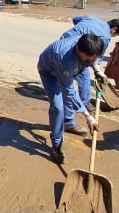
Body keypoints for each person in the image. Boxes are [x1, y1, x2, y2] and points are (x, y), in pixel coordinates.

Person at [38, 34, 102, 164]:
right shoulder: (64, 58)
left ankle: (68, 123)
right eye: (87, 58)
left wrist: (98, 71)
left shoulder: (89, 48)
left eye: (92, 59)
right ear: (78, 49)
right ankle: (56, 144)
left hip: (75, 66)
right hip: (49, 72)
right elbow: (69, 90)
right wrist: (87, 116)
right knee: (58, 106)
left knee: (83, 90)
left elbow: (91, 57)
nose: (89, 60)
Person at [61, 17, 119, 135]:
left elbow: (75, 19)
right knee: (79, 78)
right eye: (115, 35)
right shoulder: (105, 36)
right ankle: (75, 114)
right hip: (74, 51)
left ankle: (81, 104)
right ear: (113, 29)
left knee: (77, 77)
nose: (113, 37)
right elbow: (96, 57)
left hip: (64, 42)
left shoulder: (91, 18)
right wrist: (98, 71)